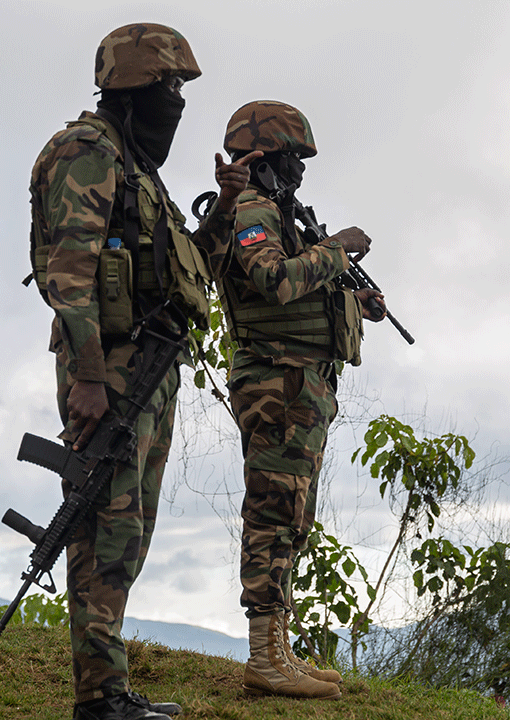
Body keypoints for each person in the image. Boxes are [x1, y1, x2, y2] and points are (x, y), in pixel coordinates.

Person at [26, 24, 259, 720]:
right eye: (170, 88)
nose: (178, 103)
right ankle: (98, 700)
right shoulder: (86, 153)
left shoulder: (134, 169)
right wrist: (91, 378)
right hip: (113, 372)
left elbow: (184, 269)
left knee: (127, 533)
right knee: (105, 529)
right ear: (134, 88)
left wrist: (220, 208)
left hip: (147, 368)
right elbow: (68, 276)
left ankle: (108, 688)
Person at [218, 100, 385, 700]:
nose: (300, 173)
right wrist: (336, 249)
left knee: (292, 515)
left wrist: (351, 303)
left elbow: (298, 289)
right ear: (266, 157)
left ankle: (277, 648)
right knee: (271, 514)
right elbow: (274, 280)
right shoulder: (250, 208)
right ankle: (264, 654)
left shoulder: (276, 209)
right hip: (277, 382)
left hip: (301, 382)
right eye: (294, 160)